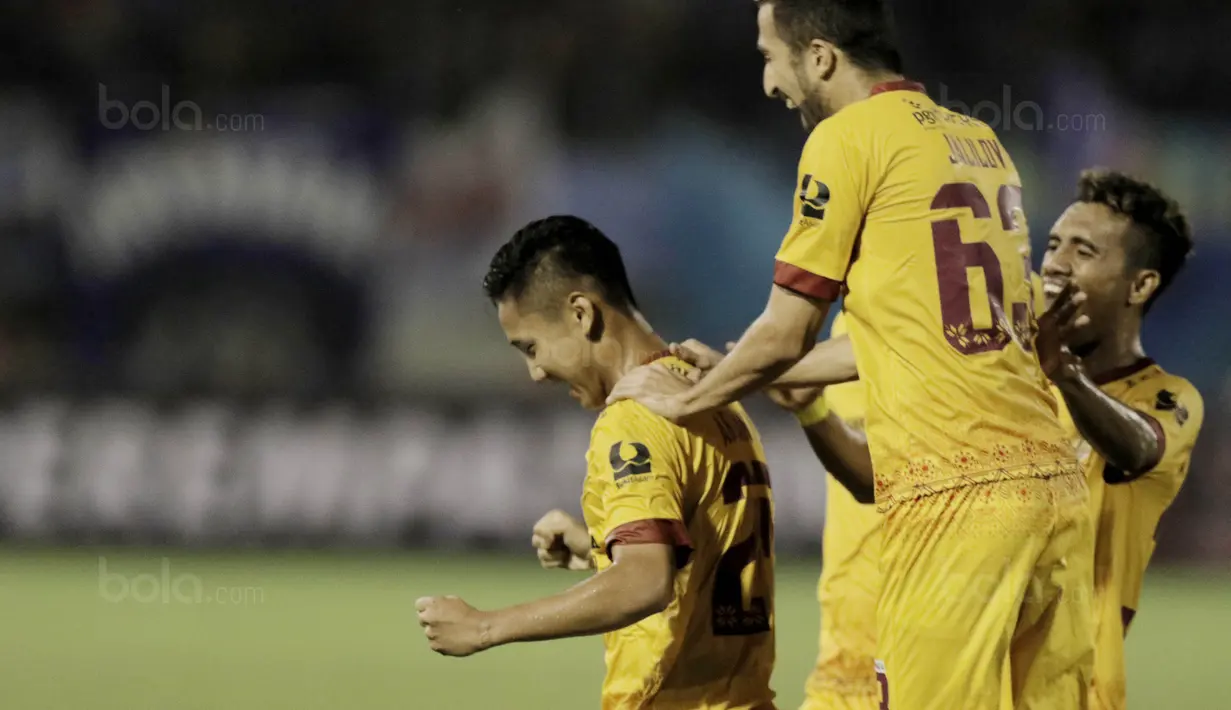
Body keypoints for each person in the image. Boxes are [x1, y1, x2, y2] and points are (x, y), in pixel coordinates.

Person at [608, 1, 1094, 707]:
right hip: (1051, 484)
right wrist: (745, 371)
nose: (768, 82)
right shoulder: (979, 141)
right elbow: (898, 339)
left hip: (954, 497)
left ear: (820, 57)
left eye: (769, 57)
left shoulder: (847, 138)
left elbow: (785, 331)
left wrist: (682, 402)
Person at [415, 216, 778, 710]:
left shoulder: (635, 418)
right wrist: (600, 551)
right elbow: (700, 564)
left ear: (582, 314)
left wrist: (486, 626)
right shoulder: (709, 392)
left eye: (531, 347)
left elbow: (646, 581)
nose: (536, 372)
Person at [1038, 169, 1204, 710]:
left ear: (1140, 285)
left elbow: (1135, 449)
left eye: (1083, 251)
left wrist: (1062, 371)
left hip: (1075, 689)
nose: (1055, 264)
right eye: (1053, 244)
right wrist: (811, 403)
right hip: (974, 676)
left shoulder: (1168, 398)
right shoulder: (1016, 379)